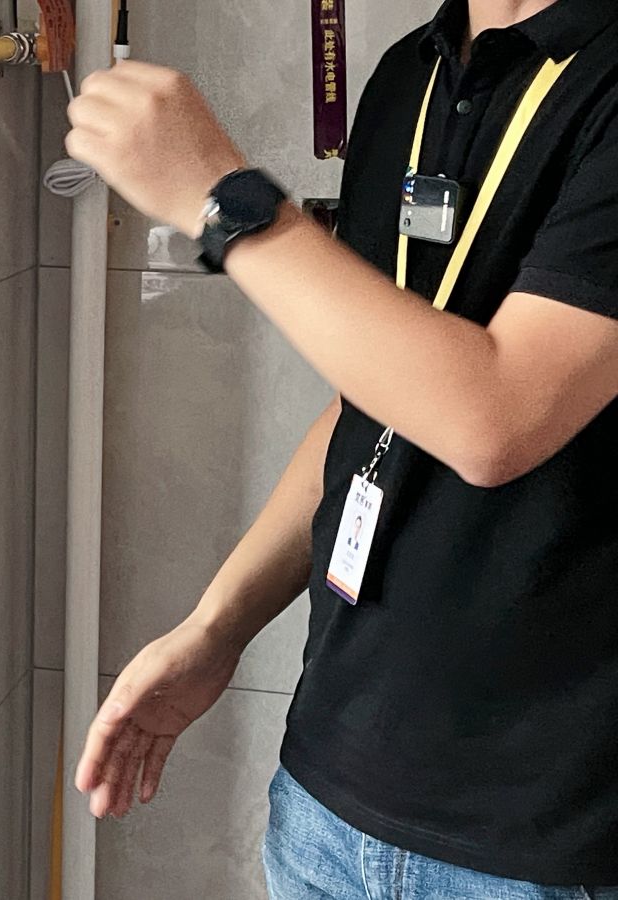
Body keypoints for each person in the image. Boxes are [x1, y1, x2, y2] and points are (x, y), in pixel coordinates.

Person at [64, 0, 618, 897]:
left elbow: (497, 418)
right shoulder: (410, 73)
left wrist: (225, 202)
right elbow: (374, 403)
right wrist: (216, 627)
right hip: (327, 803)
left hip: (547, 843)